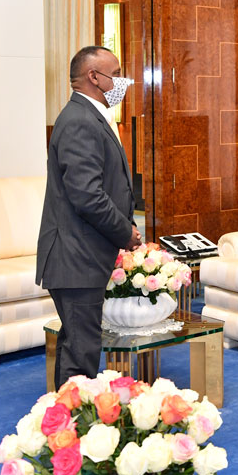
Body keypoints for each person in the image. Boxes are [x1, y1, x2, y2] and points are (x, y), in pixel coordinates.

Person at [37, 46, 141, 389]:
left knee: (77, 345)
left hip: (82, 254)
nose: (122, 80)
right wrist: (125, 231)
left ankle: (68, 425)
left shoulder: (90, 116)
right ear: (95, 77)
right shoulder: (80, 120)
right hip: (74, 256)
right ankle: (72, 430)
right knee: (81, 352)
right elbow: (87, 195)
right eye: (116, 72)